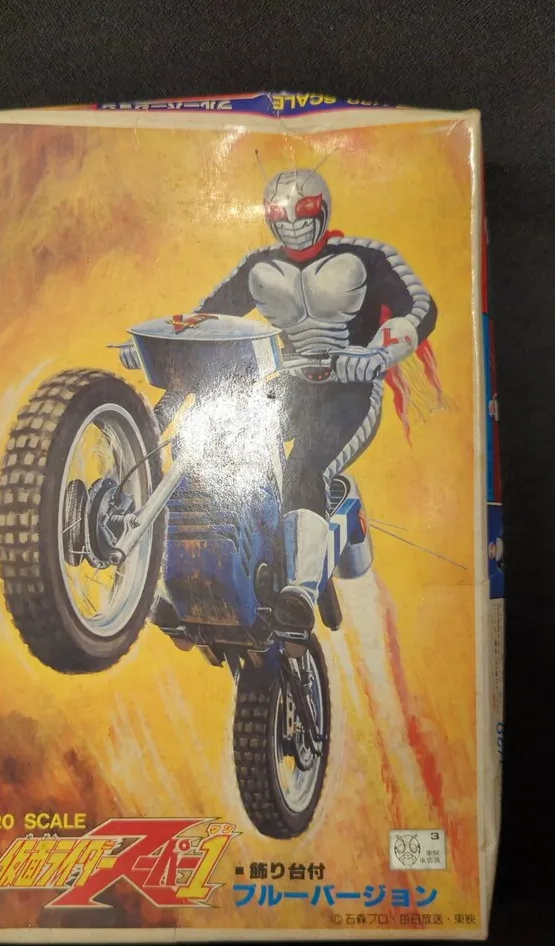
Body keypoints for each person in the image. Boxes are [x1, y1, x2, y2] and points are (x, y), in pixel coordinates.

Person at [125, 166, 438, 630]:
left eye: (303, 211)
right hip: (285, 386)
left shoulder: (366, 256)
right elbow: (207, 321)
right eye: (280, 214)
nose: (292, 222)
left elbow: (420, 306)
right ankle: (178, 578)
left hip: (350, 389)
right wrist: (152, 347)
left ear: (322, 208)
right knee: (208, 452)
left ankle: (301, 592)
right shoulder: (259, 266)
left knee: (305, 469)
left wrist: (376, 353)